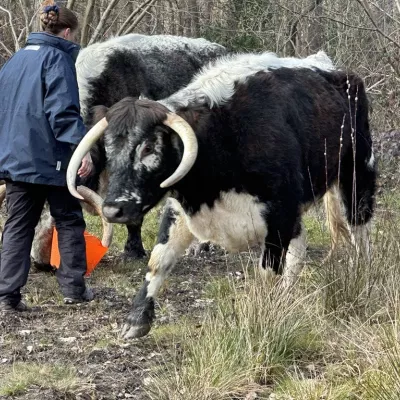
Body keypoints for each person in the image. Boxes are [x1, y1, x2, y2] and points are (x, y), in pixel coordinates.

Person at [0, 3, 94, 311]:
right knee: (68, 219)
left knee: (18, 225)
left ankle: (8, 296)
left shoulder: (13, 62)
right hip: (52, 160)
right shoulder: (58, 59)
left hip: (14, 159)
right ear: (67, 32)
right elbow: (63, 112)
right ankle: (74, 290)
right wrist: (81, 149)